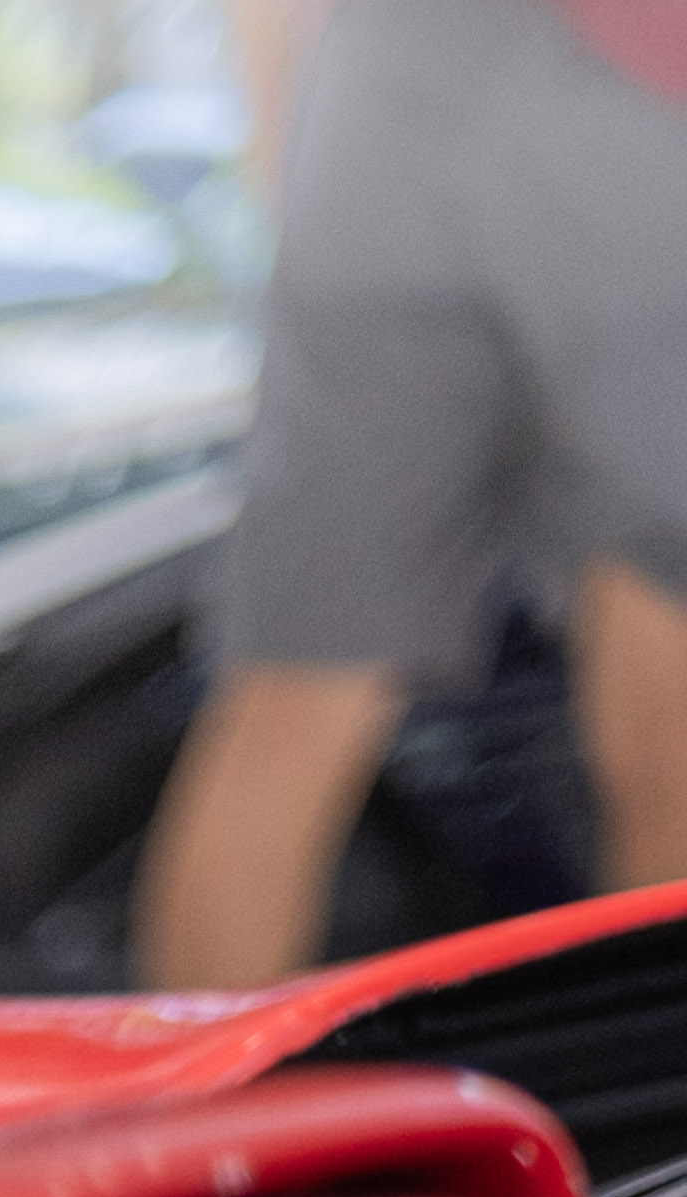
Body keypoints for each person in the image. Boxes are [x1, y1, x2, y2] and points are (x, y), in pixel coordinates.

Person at [134, 0, 687, 981]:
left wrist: (294, 171)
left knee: (285, 706)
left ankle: (191, 1084)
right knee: (667, 709)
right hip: (635, 95)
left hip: (381, 91)